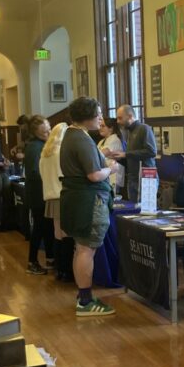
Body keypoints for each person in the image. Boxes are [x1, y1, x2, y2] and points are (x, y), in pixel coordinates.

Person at [60, 97, 118, 317]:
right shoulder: (81, 139)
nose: (101, 118)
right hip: (88, 200)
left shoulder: (73, 134)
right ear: (88, 116)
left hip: (77, 198)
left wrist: (100, 156)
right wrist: (110, 169)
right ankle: (85, 301)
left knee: (81, 247)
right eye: (99, 113)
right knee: (86, 249)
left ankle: (83, 295)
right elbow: (94, 175)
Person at [103, 105, 156, 202]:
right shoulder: (129, 132)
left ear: (130, 116)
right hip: (133, 178)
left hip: (145, 178)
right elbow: (132, 156)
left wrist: (125, 154)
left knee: (143, 211)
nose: (118, 121)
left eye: (120, 118)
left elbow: (151, 151)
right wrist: (118, 157)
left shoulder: (144, 129)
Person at [39, 121, 71, 281]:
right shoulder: (61, 153)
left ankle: (59, 269)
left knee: (57, 235)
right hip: (62, 196)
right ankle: (66, 270)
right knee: (66, 236)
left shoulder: (45, 154)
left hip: (50, 197)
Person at [24, 115, 54, 275]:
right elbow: (34, 172)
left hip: (43, 193)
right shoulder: (35, 147)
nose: (48, 134)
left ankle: (50, 258)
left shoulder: (42, 144)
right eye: (44, 132)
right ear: (36, 132)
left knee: (47, 227)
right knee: (39, 228)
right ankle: (32, 262)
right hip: (38, 194)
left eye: (49, 130)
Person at [97, 116, 125, 197]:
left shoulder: (114, 138)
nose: (100, 128)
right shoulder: (102, 141)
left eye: (103, 126)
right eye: (100, 125)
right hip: (105, 174)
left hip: (113, 176)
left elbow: (102, 153)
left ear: (111, 128)